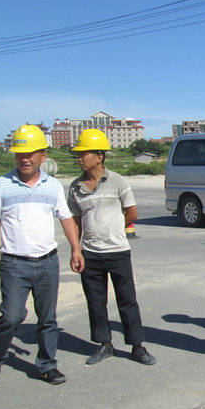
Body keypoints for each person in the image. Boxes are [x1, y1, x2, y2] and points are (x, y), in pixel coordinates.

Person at [0, 124, 84, 387]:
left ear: (42, 156)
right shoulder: (1, 185)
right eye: (19, 154)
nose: (24, 158)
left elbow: (66, 218)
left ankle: (47, 365)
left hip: (47, 262)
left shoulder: (53, 187)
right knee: (11, 316)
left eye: (30, 153)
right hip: (14, 264)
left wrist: (75, 248)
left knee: (47, 318)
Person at [67, 129, 155, 366]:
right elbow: (75, 221)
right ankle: (104, 344)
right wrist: (76, 249)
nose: (80, 158)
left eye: (84, 153)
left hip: (117, 252)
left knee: (127, 299)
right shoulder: (75, 187)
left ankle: (137, 346)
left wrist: (113, 228)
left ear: (99, 156)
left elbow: (132, 212)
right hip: (90, 254)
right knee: (95, 301)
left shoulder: (118, 181)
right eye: (78, 154)